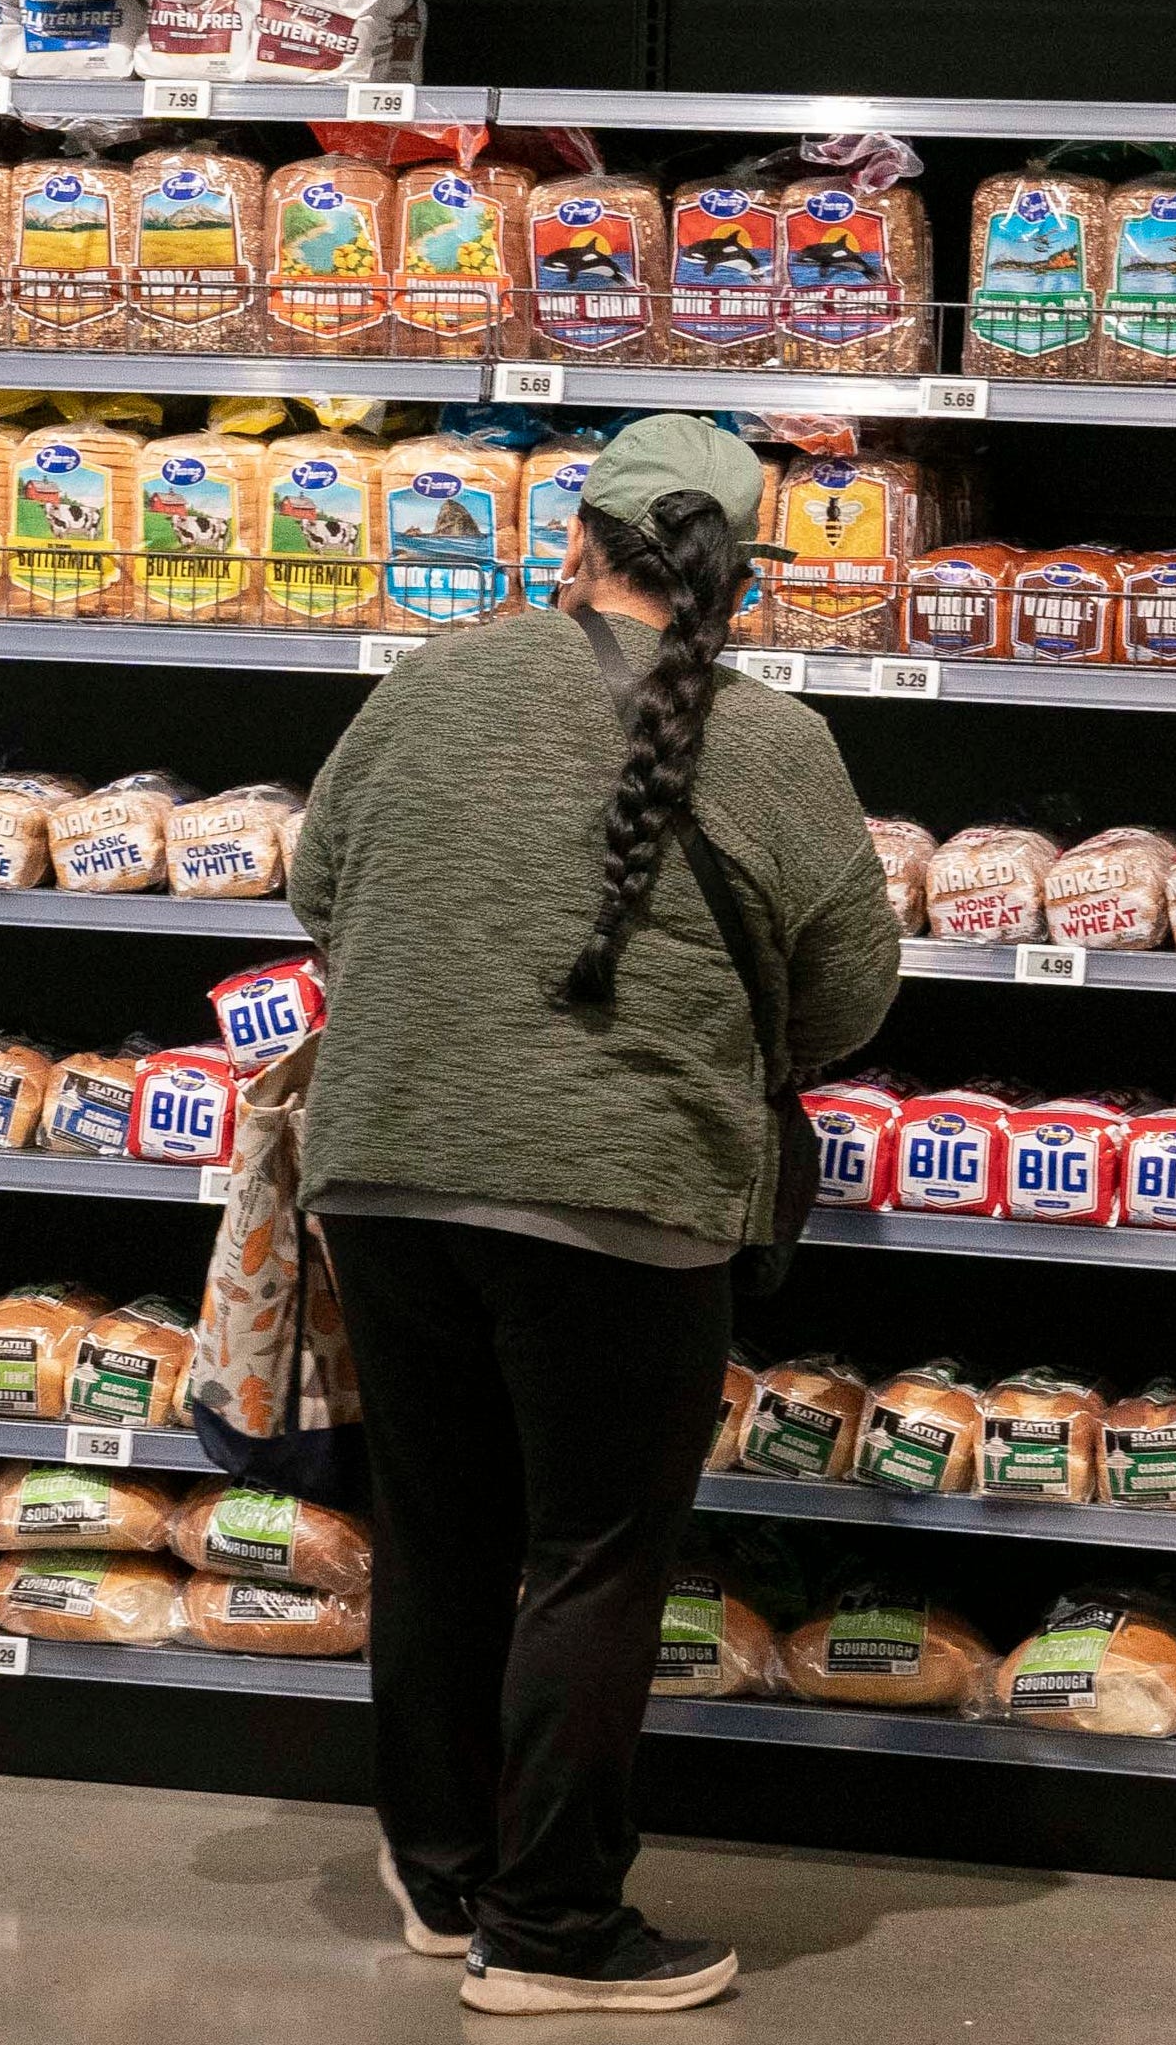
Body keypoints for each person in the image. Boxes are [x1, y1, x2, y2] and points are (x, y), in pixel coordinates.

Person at [289, 414, 902, 2017]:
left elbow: (315, 886)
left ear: (576, 542)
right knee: (590, 1556)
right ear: (738, 579)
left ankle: (444, 1877)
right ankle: (551, 1930)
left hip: (385, 1172)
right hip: (621, 1196)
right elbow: (847, 995)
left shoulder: (432, 680)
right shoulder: (771, 743)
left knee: (441, 1530)